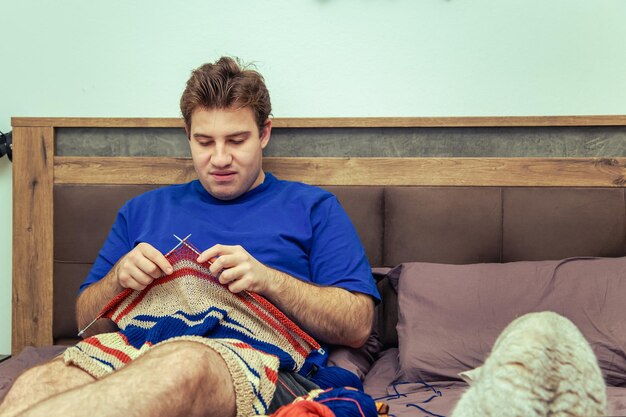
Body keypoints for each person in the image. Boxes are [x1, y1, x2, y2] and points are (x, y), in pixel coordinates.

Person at [0, 57, 380, 417]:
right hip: (134, 349)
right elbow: (87, 326)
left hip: (254, 364)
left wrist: (270, 280)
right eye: (204, 142)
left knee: (185, 361)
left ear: (264, 134)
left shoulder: (313, 207)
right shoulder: (142, 210)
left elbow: (358, 326)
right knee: (36, 384)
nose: (219, 158)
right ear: (187, 135)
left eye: (236, 140)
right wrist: (117, 280)